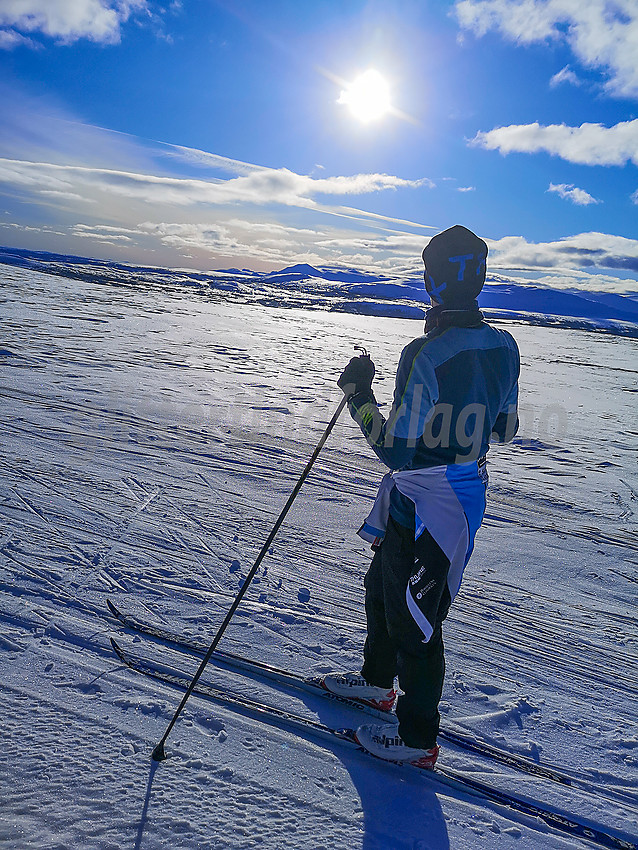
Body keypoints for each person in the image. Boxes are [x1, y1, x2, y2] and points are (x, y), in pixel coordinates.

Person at [322, 225, 520, 769]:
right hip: (459, 491)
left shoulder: (425, 353)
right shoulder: (505, 346)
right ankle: (376, 683)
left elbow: (395, 450)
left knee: (415, 614)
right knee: (384, 587)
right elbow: (504, 430)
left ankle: (416, 738)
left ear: (432, 280)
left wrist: (359, 395)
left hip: (430, 498)